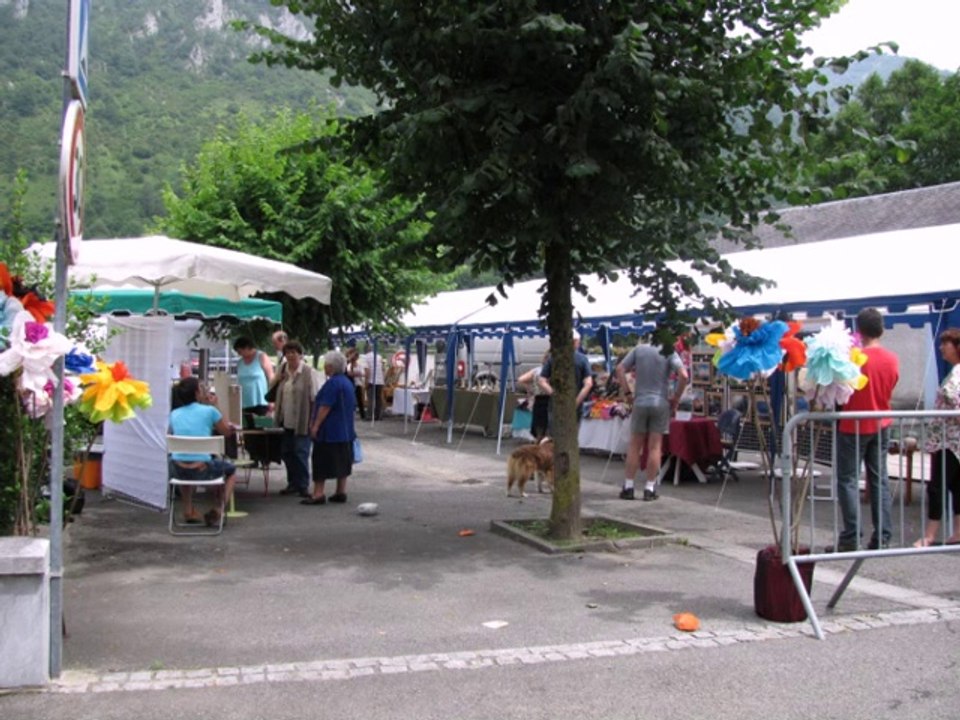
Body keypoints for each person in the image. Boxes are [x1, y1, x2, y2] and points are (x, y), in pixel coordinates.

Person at [835, 308, 899, 551]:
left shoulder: (853, 358)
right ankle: (882, 535)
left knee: (848, 479)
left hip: (854, 423)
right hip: (882, 422)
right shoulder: (892, 359)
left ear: (859, 331)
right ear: (881, 329)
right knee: (879, 479)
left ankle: (851, 535)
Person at [615, 334, 688, 501]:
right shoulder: (670, 352)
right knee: (655, 447)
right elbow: (683, 375)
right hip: (660, 402)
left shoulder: (639, 350)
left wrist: (627, 393)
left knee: (635, 446)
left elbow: (620, 369)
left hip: (640, 401)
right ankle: (649, 488)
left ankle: (628, 486)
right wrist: (676, 397)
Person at [168, 376, 238, 527]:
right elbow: (226, 432)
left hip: (177, 469)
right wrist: (215, 406)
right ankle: (219, 509)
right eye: (201, 388)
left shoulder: (174, 414)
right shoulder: (210, 411)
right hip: (202, 469)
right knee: (232, 471)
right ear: (196, 393)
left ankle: (188, 509)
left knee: (184, 459)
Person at [914, 327, 960, 547]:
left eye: (946, 344)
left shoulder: (956, 374)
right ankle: (957, 531)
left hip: (948, 441)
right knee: (956, 486)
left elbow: (953, 396)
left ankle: (930, 534)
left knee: (938, 485)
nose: (942, 347)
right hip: (951, 440)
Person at [303, 351, 357, 505]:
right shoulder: (347, 382)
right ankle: (341, 491)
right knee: (343, 461)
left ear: (331, 367)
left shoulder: (332, 383)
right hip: (346, 431)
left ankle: (318, 493)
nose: (325, 367)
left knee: (321, 461)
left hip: (330, 432)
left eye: (326, 364)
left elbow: (325, 407)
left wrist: (315, 426)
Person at [273, 339, 320, 498]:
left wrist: (313, 421)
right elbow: (271, 389)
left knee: (301, 453)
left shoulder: (309, 372)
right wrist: (277, 379)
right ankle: (292, 483)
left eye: (294, 352)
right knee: (287, 453)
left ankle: (303, 485)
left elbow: (314, 398)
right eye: (288, 352)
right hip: (285, 420)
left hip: (302, 419)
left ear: (300, 354)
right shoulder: (282, 370)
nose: (291, 355)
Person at [539, 330, 594, 432]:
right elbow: (588, 383)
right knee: (574, 434)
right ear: (576, 342)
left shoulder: (553, 358)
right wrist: (576, 402)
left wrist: (554, 394)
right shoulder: (582, 359)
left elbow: (542, 380)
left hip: (556, 405)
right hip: (576, 406)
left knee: (555, 435)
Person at [233, 336, 275, 419]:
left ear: (247, 348)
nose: (239, 354)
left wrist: (272, 400)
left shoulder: (261, 357)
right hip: (244, 402)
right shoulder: (240, 362)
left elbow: (271, 377)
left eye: (240, 351)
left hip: (260, 401)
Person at [517, 351, 552, 441]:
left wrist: (530, 389)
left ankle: (538, 439)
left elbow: (521, 379)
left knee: (538, 423)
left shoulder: (536, 370)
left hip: (538, 398)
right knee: (548, 424)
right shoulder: (552, 372)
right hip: (550, 399)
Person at [362, 343, 387, 421]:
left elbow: (367, 371)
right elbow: (383, 369)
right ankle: (379, 416)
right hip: (380, 380)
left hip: (371, 380)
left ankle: (370, 416)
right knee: (378, 399)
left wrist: (366, 383)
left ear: (366, 350)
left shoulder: (365, 357)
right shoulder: (379, 356)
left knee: (371, 399)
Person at [346, 347, 367, 420]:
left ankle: (362, 415)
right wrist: (356, 373)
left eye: (356, 356)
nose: (355, 357)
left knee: (359, 399)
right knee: (350, 399)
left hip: (358, 383)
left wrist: (356, 374)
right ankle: (350, 414)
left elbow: (363, 373)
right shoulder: (348, 364)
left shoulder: (359, 365)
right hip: (350, 383)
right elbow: (349, 373)